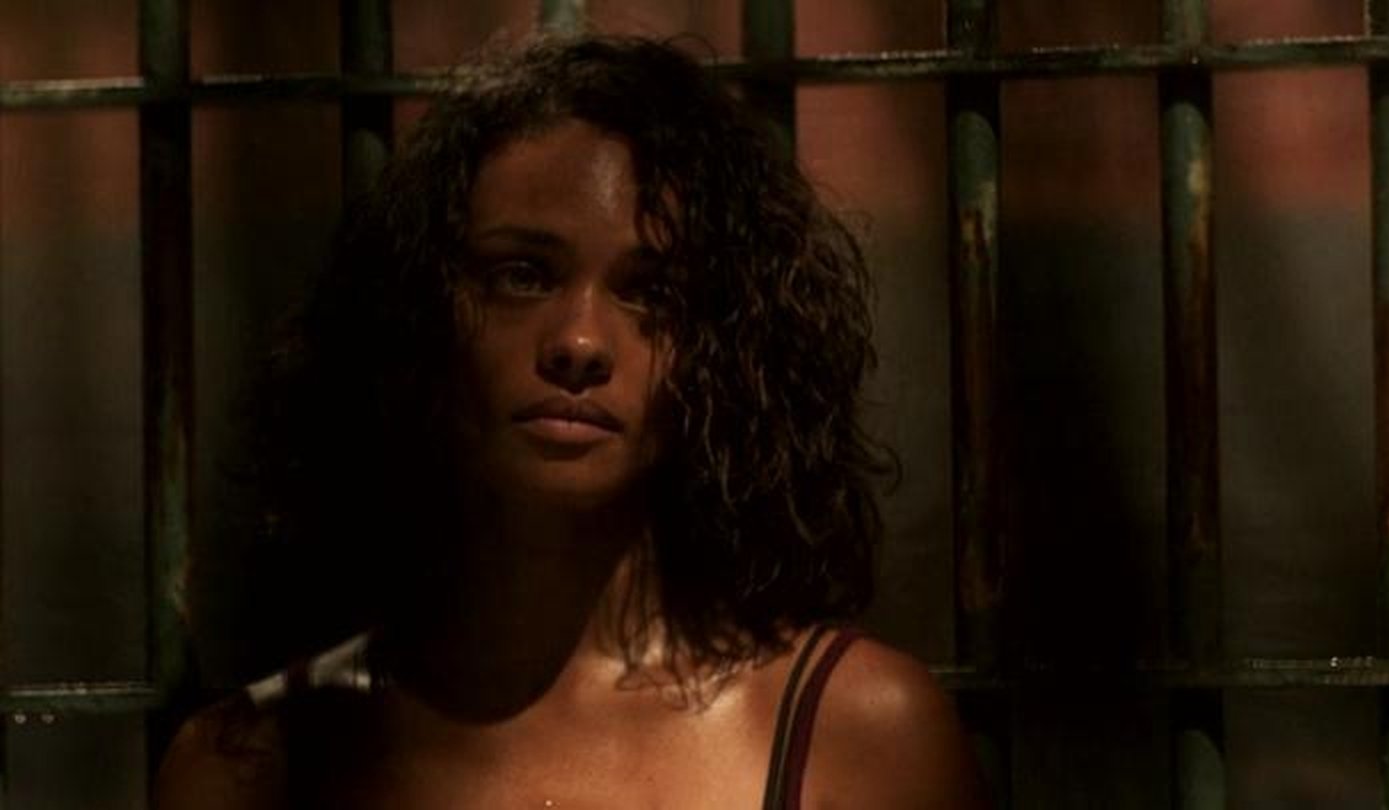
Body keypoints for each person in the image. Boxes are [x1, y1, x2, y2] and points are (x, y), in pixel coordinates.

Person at [155, 34, 991, 810]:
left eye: (651, 292)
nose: (580, 342)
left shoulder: (861, 740)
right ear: (415, 311)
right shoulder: (253, 763)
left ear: (727, 347)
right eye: (522, 275)